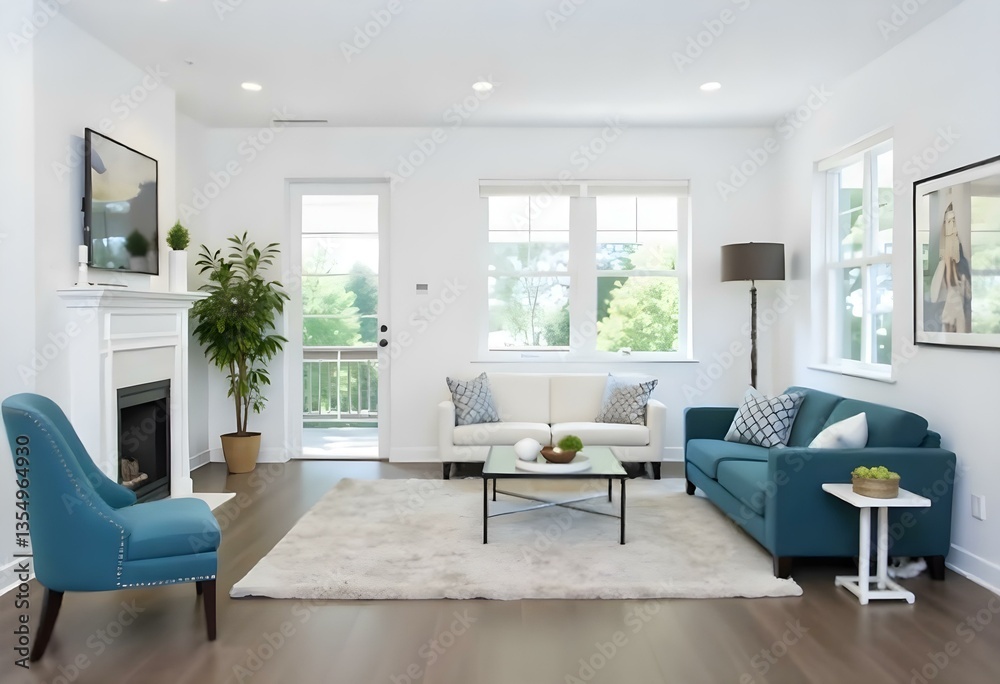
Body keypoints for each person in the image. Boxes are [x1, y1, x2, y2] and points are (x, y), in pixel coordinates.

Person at [929, 203, 972, 332]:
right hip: (948, 311)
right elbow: (935, 295)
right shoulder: (943, 264)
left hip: (960, 311)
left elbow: (968, 294)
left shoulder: (963, 262)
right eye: (948, 222)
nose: (951, 227)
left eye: (953, 221)